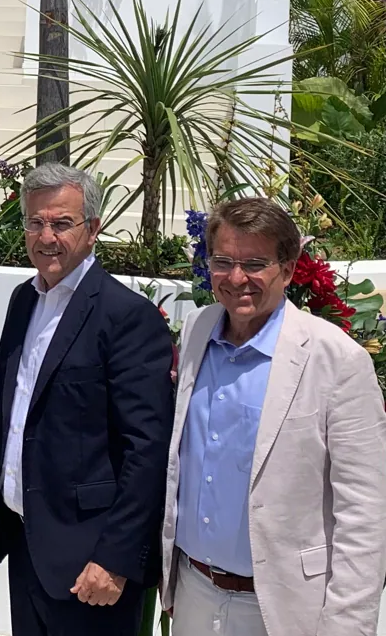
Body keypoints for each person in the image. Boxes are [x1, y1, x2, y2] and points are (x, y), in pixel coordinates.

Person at [159, 197, 386, 636]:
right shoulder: (197, 331)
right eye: (223, 261)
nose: (237, 278)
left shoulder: (337, 360)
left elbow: (365, 514)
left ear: (287, 268)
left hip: (283, 610)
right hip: (193, 594)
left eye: (255, 263)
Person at [0, 163, 175, 636]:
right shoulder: (22, 301)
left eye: (61, 223)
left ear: (93, 229)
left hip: (92, 563)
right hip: (28, 545)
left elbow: (147, 451)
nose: (46, 236)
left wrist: (116, 559)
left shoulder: (127, 317)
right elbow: (14, 412)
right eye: (35, 222)